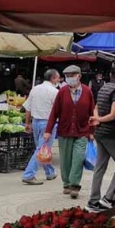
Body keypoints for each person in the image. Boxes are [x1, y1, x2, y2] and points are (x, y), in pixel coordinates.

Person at [42, 65, 94, 198]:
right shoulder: (62, 92)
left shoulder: (87, 92)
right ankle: (66, 183)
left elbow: (92, 113)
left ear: (79, 76)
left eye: (72, 76)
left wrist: (92, 132)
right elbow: (54, 113)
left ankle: (74, 185)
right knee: (65, 160)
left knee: (78, 158)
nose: (69, 78)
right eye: (67, 76)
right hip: (65, 131)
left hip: (82, 131)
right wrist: (48, 131)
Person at [88, 64, 115, 211]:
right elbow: (113, 115)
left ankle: (94, 200)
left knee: (100, 166)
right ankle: (108, 198)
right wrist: (99, 119)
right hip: (111, 133)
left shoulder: (104, 88)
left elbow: (96, 107)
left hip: (100, 133)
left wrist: (97, 118)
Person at [21, 69, 62, 186]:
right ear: (53, 78)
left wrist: (27, 123)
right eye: (58, 78)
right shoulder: (54, 92)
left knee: (42, 148)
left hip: (36, 122)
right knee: (41, 149)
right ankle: (29, 175)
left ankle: (50, 172)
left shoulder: (35, 89)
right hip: (48, 123)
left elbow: (28, 108)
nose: (59, 80)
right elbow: (59, 110)